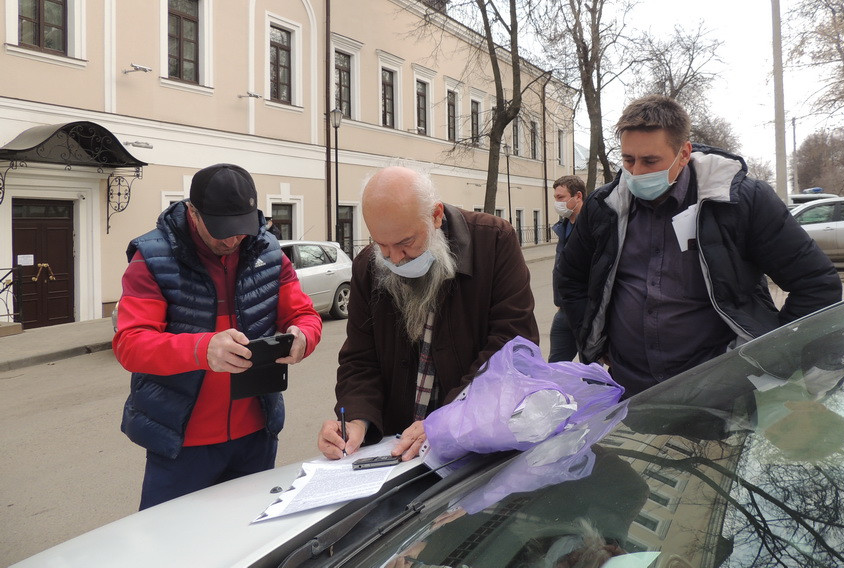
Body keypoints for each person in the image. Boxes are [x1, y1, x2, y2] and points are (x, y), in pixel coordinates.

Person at [556, 95, 842, 398]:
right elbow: (571, 278)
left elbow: (817, 285)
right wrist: (597, 342)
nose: (636, 173)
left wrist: (775, 355)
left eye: (650, 161)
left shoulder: (740, 201)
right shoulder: (604, 207)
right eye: (628, 160)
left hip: (723, 394)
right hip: (631, 390)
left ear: (683, 153)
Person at [113, 163, 323, 509]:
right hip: (182, 445)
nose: (231, 240)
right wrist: (202, 348)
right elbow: (131, 343)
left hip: (256, 437)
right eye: (220, 230)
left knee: (253, 535)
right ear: (193, 212)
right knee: (172, 540)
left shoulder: (267, 251)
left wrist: (304, 336)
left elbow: (304, 315)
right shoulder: (151, 257)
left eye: (240, 229)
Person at [317, 166, 539, 461]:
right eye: (381, 244)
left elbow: (511, 346)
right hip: (400, 447)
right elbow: (360, 358)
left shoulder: (494, 241)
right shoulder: (368, 266)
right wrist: (357, 419)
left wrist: (449, 419)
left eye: (405, 243)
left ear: (435, 216)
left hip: (478, 438)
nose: (394, 259)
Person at [549, 175, 585, 362]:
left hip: (585, 312)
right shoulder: (563, 227)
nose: (557, 202)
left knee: (590, 368)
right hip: (563, 310)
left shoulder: (591, 226)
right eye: (555, 198)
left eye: (561, 197)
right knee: (555, 367)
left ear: (578, 196)